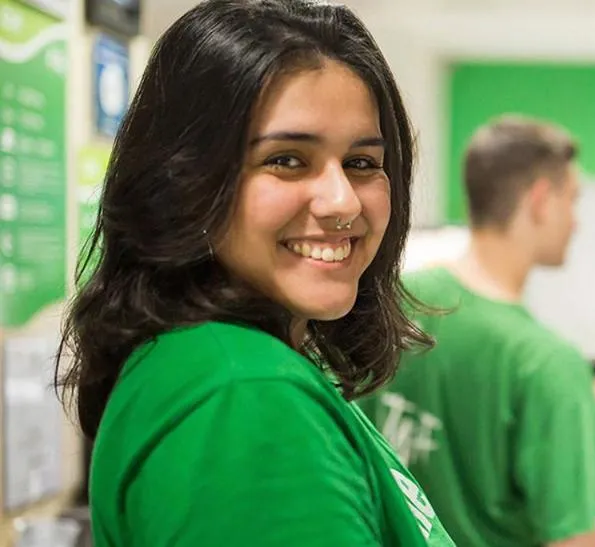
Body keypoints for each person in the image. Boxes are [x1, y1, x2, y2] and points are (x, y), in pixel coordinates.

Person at [54, 1, 455, 545]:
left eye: (362, 163)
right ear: (184, 178)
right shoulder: (245, 397)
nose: (341, 202)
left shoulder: (213, 365)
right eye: (286, 159)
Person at [362, 115, 595, 547]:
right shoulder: (546, 362)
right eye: (571, 201)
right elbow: (574, 540)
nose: (575, 222)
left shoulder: (390, 305)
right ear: (540, 201)